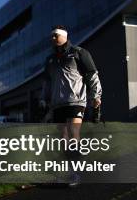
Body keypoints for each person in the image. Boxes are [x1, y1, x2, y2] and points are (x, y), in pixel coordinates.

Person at [40, 25, 102, 186]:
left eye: (55, 35)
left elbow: (92, 75)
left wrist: (96, 95)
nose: (52, 38)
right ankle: (69, 170)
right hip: (57, 104)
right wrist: (43, 98)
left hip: (76, 101)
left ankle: (75, 173)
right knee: (63, 139)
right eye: (51, 36)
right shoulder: (50, 59)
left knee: (73, 135)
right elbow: (47, 82)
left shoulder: (79, 52)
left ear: (64, 36)